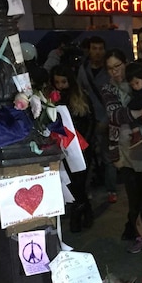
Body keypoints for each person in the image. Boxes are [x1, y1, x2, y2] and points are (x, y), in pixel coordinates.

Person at [99, 49, 142, 250]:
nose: (114, 72)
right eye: (110, 69)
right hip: (126, 150)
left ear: (125, 63)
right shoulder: (108, 89)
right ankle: (139, 233)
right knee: (134, 196)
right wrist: (141, 112)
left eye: (117, 67)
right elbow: (116, 116)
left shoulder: (139, 80)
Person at [51, 64, 95, 233]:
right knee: (72, 183)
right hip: (63, 147)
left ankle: (78, 215)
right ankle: (84, 210)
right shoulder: (53, 97)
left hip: (81, 146)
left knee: (79, 182)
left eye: (64, 82)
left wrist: (87, 144)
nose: (60, 85)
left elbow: (91, 120)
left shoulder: (80, 96)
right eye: (57, 82)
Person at [76, 36, 116, 203]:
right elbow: (79, 93)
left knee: (108, 158)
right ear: (89, 50)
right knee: (87, 157)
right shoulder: (83, 69)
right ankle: (87, 190)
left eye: (100, 48)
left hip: (107, 119)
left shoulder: (109, 72)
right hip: (89, 120)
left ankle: (111, 190)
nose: (97, 52)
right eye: (94, 48)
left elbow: (114, 97)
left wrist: (107, 119)